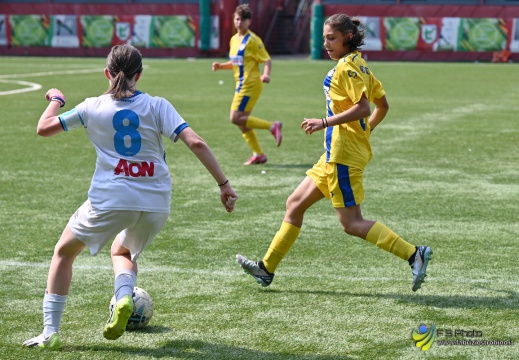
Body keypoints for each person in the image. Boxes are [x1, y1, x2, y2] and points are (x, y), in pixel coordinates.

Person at [23, 44, 238, 350]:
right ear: (140, 74)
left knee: (63, 252)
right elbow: (197, 143)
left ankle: (50, 332)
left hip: (109, 200)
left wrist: (56, 101)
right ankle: (124, 297)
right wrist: (223, 184)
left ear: (107, 73)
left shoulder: (91, 107)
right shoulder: (157, 105)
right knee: (122, 253)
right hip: (156, 203)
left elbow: (44, 129)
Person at [236, 14, 432, 292]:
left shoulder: (346, 68)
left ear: (347, 38)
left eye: (331, 39)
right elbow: (383, 107)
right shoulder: (361, 65)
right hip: (333, 154)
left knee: (352, 223)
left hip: (343, 155)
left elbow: (365, 108)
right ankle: (266, 269)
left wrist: (324, 122)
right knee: (294, 204)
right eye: (324, 38)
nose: (326, 44)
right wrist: (365, 132)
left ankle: (414, 254)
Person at [212, 3, 282, 165]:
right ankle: (259, 154)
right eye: (237, 19)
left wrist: (266, 74)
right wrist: (221, 66)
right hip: (241, 84)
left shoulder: (253, 40)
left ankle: (272, 126)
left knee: (235, 118)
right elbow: (236, 62)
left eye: (243, 20)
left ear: (249, 22)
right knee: (242, 121)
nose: (239, 22)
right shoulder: (233, 40)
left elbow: (267, 59)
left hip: (250, 85)